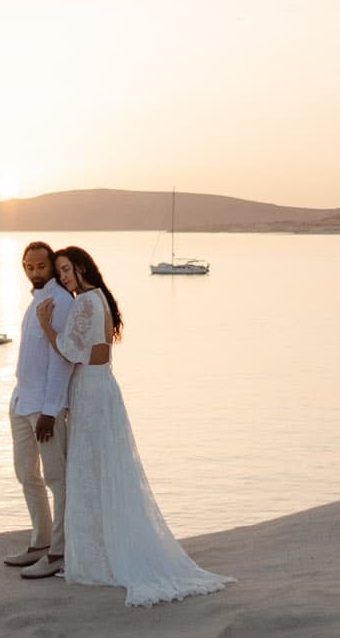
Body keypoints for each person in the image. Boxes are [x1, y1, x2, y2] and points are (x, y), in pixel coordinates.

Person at [28, 244, 231, 605]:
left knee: (90, 470)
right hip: (102, 384)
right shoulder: (101, 299)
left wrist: (46, 325)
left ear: (81, 268)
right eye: (58, 271)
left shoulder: (86, 302)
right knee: (106, 468)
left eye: (65, 269)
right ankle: (102, 547)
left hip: (90, 389)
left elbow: (69, 350)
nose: (61, 277)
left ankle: (96, 558)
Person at [6, 240, 75, 574]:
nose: (34, 272)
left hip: (44, 408)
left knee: (56, 478)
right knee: (25, 473)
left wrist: (51, 410)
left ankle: (59, 553)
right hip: (21, 401)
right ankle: (41, 540)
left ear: (52, 266)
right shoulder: (35, 301)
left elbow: (60, 360)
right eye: (29, 267)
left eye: (41, 267)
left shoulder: (60, 302)